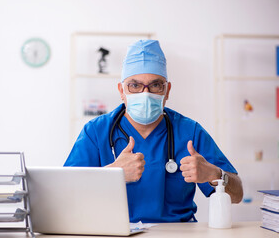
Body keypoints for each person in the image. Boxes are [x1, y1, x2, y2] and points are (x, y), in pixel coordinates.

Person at [64, 40, 243, 223]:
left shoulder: (189, 131)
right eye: (134, 85)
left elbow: (237, 195)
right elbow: (65, 194)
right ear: (121, 90)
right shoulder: (96, 132)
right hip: (113, 232)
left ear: (167, 91)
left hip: (177, 234)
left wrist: (216, 175)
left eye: (155, 85)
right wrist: (111, 175)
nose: (145, 93)